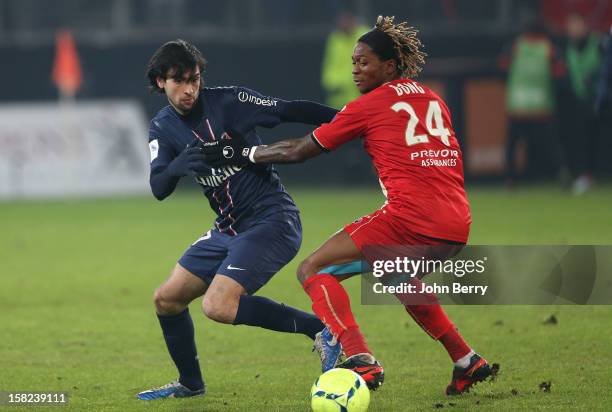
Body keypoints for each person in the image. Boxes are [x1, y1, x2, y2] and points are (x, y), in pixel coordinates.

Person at [202, 16, 495, 395]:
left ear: (389, 66)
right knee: (398, 276)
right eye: (353, 61)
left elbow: (298, 150)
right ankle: (466, 361)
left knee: (312, 269)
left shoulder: (370, 105)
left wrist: (241, 152)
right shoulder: (432, 98)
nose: (355, 69)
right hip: (456, 223)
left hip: (411, 220)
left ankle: (360, 359)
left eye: (364, 62)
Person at [137, 39, 341, 400]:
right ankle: (190, 384)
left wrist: (350, 120)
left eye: (195, 79)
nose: (189, 89)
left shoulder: (231, 101)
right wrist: (176, 166)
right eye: (179, 81)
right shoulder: (162, 127)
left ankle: (321, 330)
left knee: (217, 305)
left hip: (272, 219)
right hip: (229, 228)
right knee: (166, 299)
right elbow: (158, 187)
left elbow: (290, 109)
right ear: (159, 82)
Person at [321, 10, 369, 108]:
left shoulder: (365, 35)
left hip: (362, 99)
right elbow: (329, 66)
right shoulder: (335, 39)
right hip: (338, 101)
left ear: (353, 19)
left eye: (346, 19)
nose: (343, 23)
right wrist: (331, 83)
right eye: (341, 19)